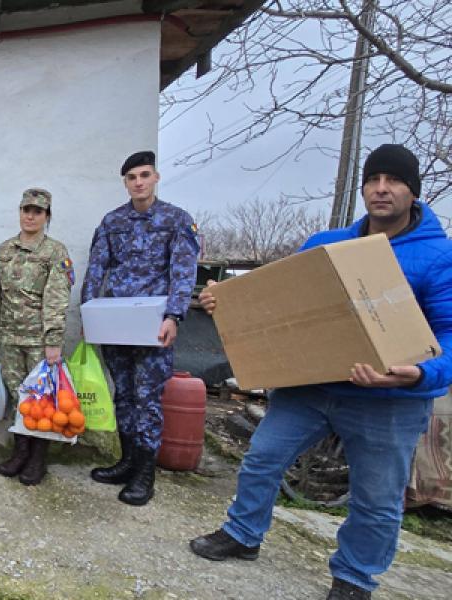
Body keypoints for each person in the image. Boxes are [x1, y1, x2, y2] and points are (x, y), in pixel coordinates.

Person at [189, 144, 452, 600]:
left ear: (413, 192)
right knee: (262, 459)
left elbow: (449, 334)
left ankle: (354, 577)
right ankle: (243, 533)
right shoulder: (326, 245)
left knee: (377, 498)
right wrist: (224, 299)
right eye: (373, 180)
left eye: (394, 181)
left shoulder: (438, 256)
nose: (381, 189)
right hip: (312, 387)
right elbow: (276, 299)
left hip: (389, 401)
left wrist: (418, 373)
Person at [80, 150, 199, 506]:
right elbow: (96, 268)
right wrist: (88, 314)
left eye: (144, 175)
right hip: (116, 322)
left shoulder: (176, 220)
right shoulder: (113, 221)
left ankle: (145, 474)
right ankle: (127, 462)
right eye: (132, 177)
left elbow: (183, 271)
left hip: (153, 324)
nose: (139, 183)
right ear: (125, 182)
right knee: (124, 394)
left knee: (147, 398)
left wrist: (174, 316)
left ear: (156, 177)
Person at [0, 188, 73, 486]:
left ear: (47, 216)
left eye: (38, 211)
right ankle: (20, 452)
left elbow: (57, 299)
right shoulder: (5, 250)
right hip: (9, 338)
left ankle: (38, 459)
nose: (31, 216)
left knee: (42, 401)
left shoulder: (55, 252)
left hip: (39, 340)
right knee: (17, 397)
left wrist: (53, 341)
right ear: (20, 212)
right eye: (26, 210)